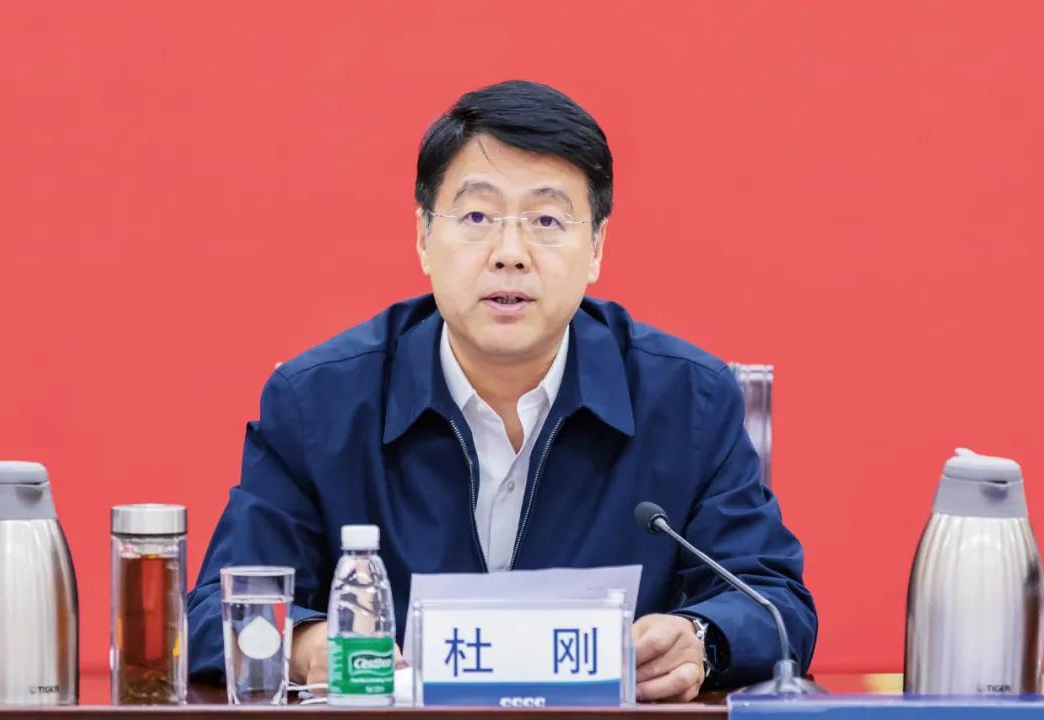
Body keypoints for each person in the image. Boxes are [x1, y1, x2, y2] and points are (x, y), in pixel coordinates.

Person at [187, 79, 816, 701]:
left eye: (546, 220)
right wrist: (304, 646)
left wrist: (702, 639)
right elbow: (218, 608)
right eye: (477, 217)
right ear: (423, 237)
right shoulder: (317, 404)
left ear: (596, 246)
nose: (510, 253)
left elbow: (775, 603)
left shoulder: (688, 402)